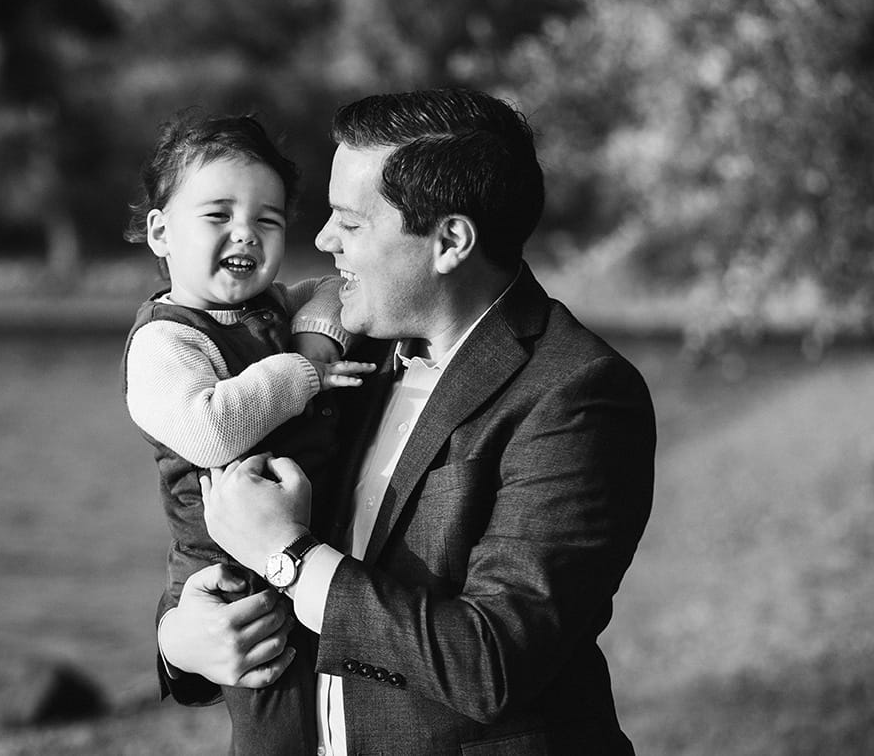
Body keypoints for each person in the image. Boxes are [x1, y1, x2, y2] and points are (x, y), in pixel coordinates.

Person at [158, 88, 657, 755]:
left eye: (350, 223)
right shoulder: (334, 357)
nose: (323, 240)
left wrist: (290, 557)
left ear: (449, 241)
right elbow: (209, 525)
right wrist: (180, 642)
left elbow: (492, 662)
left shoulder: (578, 394)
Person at [121, 110, 375, 755]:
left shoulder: (275, 308)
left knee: (338, 715)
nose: (246, 233)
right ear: (160, 232)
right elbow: (208, 431)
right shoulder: (165, 341)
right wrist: (301, 371)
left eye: (268, 220)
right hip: (230, 577)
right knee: (276, 726)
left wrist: (315, 337)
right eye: (218, 215)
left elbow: (333, 290)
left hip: (302, 552)